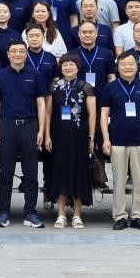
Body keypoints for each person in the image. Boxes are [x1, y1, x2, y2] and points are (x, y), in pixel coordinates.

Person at [100, 51, 140, 230]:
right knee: (118, 181)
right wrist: (106, 139)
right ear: (118, 67)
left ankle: (138, 216)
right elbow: (104, 114)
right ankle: (120, 216)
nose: (127, 67)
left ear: (136, 66)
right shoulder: (110, 87)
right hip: (117, 139)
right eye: (123, 64)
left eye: (131, 64)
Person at [0, 41, 47, 229]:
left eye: (21, 51)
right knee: (6, 172)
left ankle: (30, 212)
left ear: (26, 54)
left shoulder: (35, 75)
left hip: (29, 126)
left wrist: (41, 130)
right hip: (7, 126)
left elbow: (41, 104)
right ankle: (3, 213)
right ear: (8, 54)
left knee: (31, 173)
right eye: (14, 51)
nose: (17, 54)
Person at [44, 54, 97, 229]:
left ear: (78, 67)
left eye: (71, 65)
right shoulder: (54, 87)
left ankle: (77, 214)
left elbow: (92, 115)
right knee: (60, 172)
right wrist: (47, 135)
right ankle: (60, 214)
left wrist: (91, 138)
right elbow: (48, 113)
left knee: (78, 173)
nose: (68, 67)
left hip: (79, 137)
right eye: (64, 65)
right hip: (58, 136)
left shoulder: (85, 87)